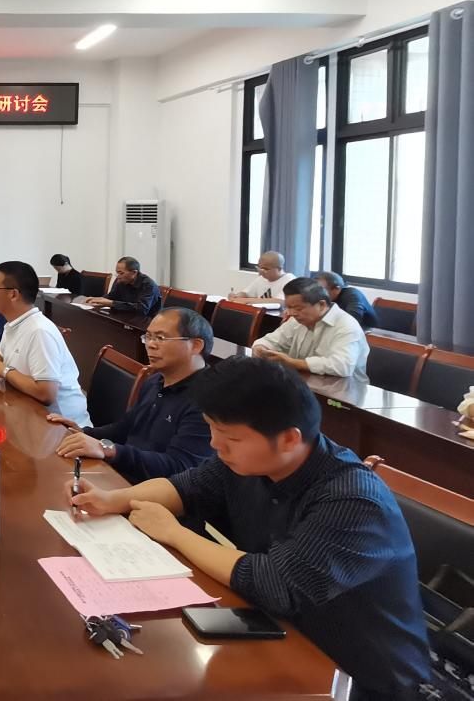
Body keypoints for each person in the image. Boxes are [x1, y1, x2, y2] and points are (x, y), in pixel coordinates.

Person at [68, 357, 433, 700]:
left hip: (360, 677)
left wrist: (175, 533)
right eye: (212, 429)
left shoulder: (352, 500)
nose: (215, 444)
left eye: (230, 437)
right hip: (278, 633)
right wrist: (112, 499)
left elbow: (275, 584)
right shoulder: (251, 463)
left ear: (289, 438)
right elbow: (187, 487)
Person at [50, 307, 214, 483]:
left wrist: (110, 450)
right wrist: (83, 432)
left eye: (160, 338)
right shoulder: (155, 381)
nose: (150, 345)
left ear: (196, 345)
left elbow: (179, 467)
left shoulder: (209, 399)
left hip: (156, 491)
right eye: (148, 337)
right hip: (123, 474)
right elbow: (126, 427)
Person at [0, 261, 90, 425]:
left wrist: (4, 371)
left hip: (62, 427)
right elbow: (5, 355)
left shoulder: (39, 331)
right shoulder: (14, 322)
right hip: (28, 411)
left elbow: (46, 393)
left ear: (13, 294)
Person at [250, 277, 369, 382]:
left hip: (344, 392)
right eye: (288, 307)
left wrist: (293, 363)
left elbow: (342, 366)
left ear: (321, 305)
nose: (291, 313)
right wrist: (261, 348)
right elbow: (271, 340)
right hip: (306, 382)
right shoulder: (296, 320)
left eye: (298, 308)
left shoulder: (346, 326)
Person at [85, 257, 160, 316]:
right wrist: (97, 299)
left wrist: (111, 303)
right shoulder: (121, 281)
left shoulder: (149, 285)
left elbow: (142, 310)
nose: (118, 276)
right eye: (117, 273)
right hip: (125, 317)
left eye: (121, 273)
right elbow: (112, 297)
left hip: (145, 323)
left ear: (134, 273)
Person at [313, 271, 378, 331]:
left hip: (366, 329)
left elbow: (352, 320)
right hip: (342, 326)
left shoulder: (352, 295)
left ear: (337, 289)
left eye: (322, 290)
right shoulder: (326, 298)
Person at [230, 251, 296, 303]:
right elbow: (246, 293)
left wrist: (246, 300)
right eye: (259, 267)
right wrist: (236, 296)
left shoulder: (290, 280)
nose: (261, 271)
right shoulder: (262, 278)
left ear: (279, 269)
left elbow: (280, 301)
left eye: (266, 269)